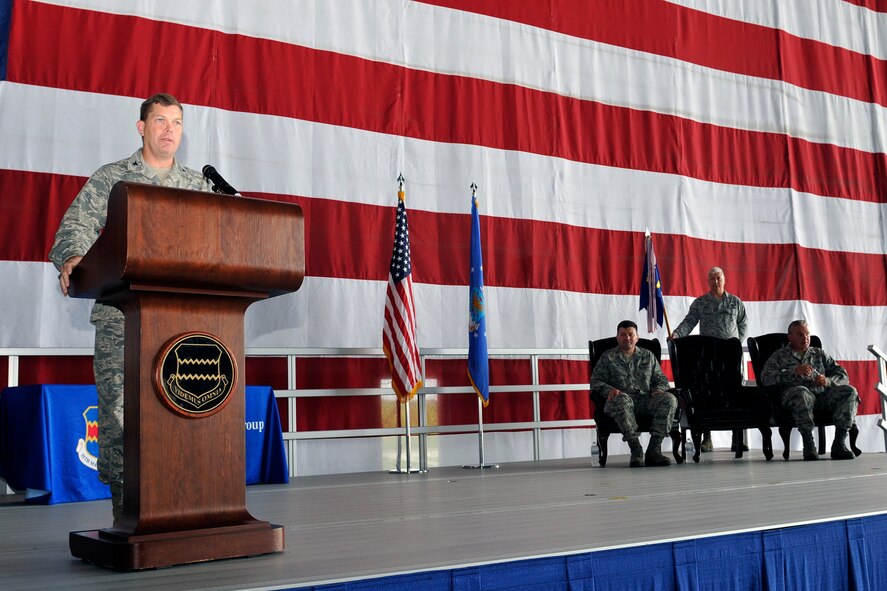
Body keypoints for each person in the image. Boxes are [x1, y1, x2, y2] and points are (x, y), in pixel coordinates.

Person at [49, 93, 214, 523]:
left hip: (185, 325)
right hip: (122, 319)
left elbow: (221, 241)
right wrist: (72, 257)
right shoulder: (114, 178)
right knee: (122, 417)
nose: (168, 130)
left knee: (182, 414)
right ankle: (128, 513)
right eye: (160, 121)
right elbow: (75, 229)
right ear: (141, 127)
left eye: (176, 122)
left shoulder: (199, 186)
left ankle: (183, 508)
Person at [669, 266, 748, 452]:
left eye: (719, 278)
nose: (716, 282)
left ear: (725, 279)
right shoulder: (701, 303)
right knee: (707, 394)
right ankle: (707, 438)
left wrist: (735, 346)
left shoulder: (736, 303)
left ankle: (737, 438)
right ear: (708, 282)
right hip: (708, 357)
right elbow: (689, 321)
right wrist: (677, 335)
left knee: (735, 394)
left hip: (730, 357)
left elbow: (743, 325)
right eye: (712, 279)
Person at [761, 320, 858, 461]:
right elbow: (765, 378)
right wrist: (794, 372)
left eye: (807, 334)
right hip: (795, 398)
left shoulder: (819, 354)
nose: (805, 338)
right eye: (800, 334)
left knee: (850, 391)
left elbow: (843, 375)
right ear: (790, 336)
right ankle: (808, 444)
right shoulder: (780, 356)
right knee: (801, 392)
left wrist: (827, 381)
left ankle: (839, 443)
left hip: (821, 397)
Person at [591, 320, 678, 467]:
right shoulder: (608, 357)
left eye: (631, 334)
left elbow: (661, 379)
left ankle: (654, 450)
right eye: (623, 335)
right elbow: (595, 381)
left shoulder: (648, 356)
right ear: (617, 337)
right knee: (622, 400)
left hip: (646, 399)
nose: (627, 338)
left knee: (670, 399)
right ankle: (636, 450)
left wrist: (659, 389)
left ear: (637, 337)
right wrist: (609, 390)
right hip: (620, 400)